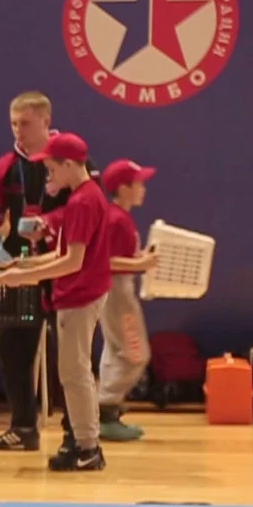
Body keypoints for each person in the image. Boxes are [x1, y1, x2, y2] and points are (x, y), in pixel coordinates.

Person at [0, 91, 98, 452]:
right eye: (13, 123)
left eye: (25, 123)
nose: (18, 130)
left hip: (66, 272)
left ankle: (77, 434)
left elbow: (87, 210)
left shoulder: (74, 163)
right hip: (27, 266)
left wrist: (48, 224)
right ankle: (24, 427)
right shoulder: (5, 167)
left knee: (72, 362)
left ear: (47, 122)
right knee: (11, 346)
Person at [0, 133, 112, 472]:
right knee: (73, 372)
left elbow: (73, 262)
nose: (49, 176)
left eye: (51, 169)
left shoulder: (83, 202)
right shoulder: (85, 197)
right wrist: (27, 265)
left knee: (75, 374)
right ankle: (83, 441)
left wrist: (25, 277)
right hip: (80, 293)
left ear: (69, 165)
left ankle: (88, 446)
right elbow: (64, 253)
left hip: (80, 295)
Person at [96, 159, 159, 440]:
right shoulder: (116, 219)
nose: (143, 189)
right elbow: (104, 262)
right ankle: (104, 408)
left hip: (116, 289)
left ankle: (103, 412)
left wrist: (138, 259)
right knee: (136, 354)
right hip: (117, 291)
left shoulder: (118, 216)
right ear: (123, 188)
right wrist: (140, 264)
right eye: (139, 183)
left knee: (116, 350)